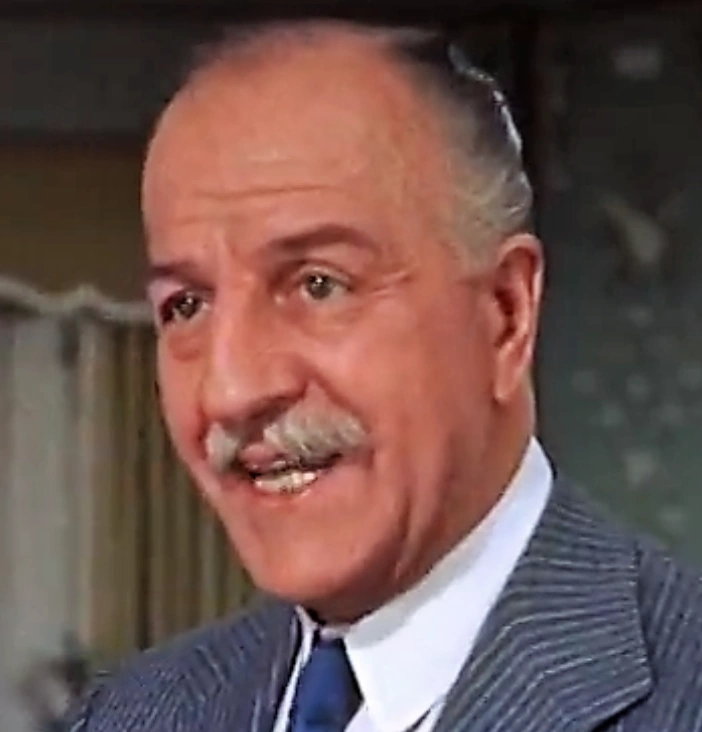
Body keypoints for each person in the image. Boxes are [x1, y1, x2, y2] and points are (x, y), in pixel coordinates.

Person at [65, 19, 702, 732]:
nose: (231, 390)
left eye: (319, 285)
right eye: (186, 305)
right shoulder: (130, 714)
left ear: (505, 314)